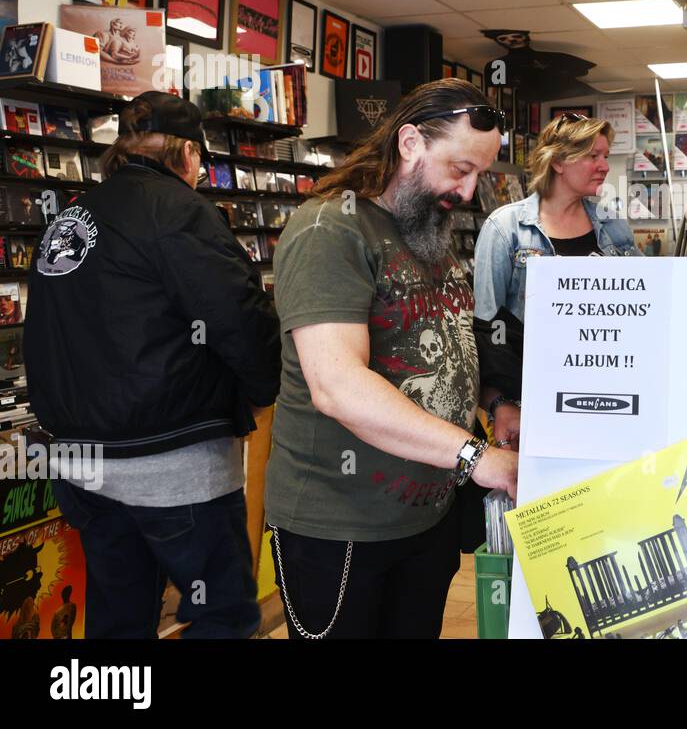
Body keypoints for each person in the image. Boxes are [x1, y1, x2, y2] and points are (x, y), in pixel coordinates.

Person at [265, 79, 518, 640]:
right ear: (409, 144)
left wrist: (495, 402)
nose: (469, 192)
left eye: (480, 175)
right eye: (459, 169)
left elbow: (445, 338)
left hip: (425, 517)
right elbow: (337, 385)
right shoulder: (330, 228)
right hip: (341, 526)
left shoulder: (425, 230)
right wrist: (477, 459)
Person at [25, 91, 281, 638]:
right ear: (188, 155)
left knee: (119, 618)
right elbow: (237, 316)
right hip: (170, 465)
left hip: (81, 464)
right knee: (222, 615)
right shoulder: (180, 210)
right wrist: (263, 390)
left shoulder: (69, 218)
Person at [473, 113, 641, 446]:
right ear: (559, 162)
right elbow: (485, 330)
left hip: (608, 397)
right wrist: (498, 404)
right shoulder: (505, 229)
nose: (604, 166)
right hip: (530, 403)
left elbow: (642, 309)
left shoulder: (613, 227)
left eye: (605, 156)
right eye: (593, 156)